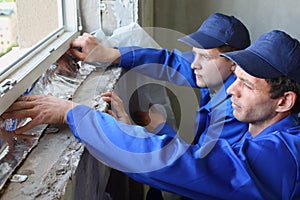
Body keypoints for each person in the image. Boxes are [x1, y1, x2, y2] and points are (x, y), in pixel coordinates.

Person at [2, 29, 300, 199]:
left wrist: (75, 114)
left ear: (284, 101)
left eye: (246, 85)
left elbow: (182, 161)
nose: (232, 90)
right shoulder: (264, 127)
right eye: (236, 77)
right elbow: (175, 60)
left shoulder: (280, 155)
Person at [72, 12, 251, 199]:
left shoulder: (235, 111)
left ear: (233, 63)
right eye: (195, 54)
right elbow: (170, 62)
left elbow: (196, 170)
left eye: (205, 57)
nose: (194, 65)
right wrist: (110, 54)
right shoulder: (216, 76)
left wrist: (158, 128)